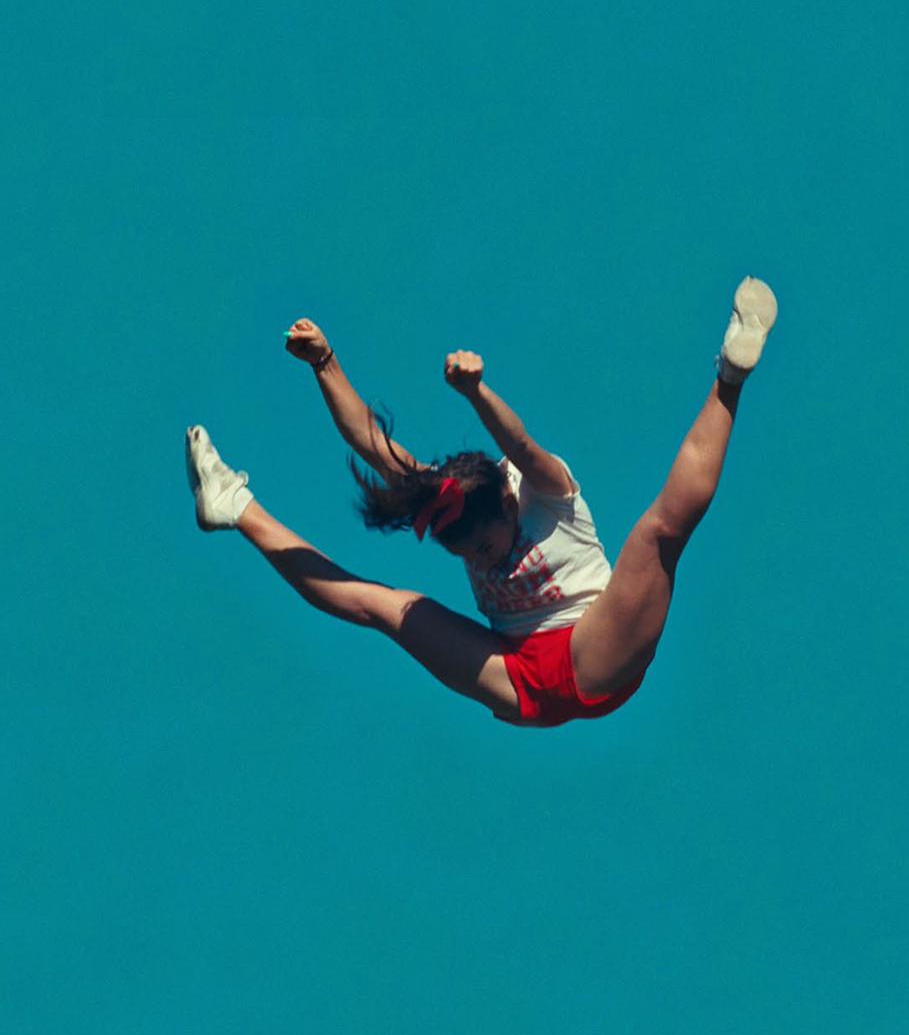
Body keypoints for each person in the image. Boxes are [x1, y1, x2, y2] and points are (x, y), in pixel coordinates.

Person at [182, 280, 778, 729]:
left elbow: (519, 445)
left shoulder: (547, 491)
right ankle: (233, 505)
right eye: (469, 555)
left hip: (594, 650)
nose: (483, 561)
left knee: (660, 532)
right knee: (382, 606)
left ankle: (730, 375)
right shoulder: (458, 506)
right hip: (514, 676)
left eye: (487, 546)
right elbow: (371, 442)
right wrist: (324, 362)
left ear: (508, 504)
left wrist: (474, 392)